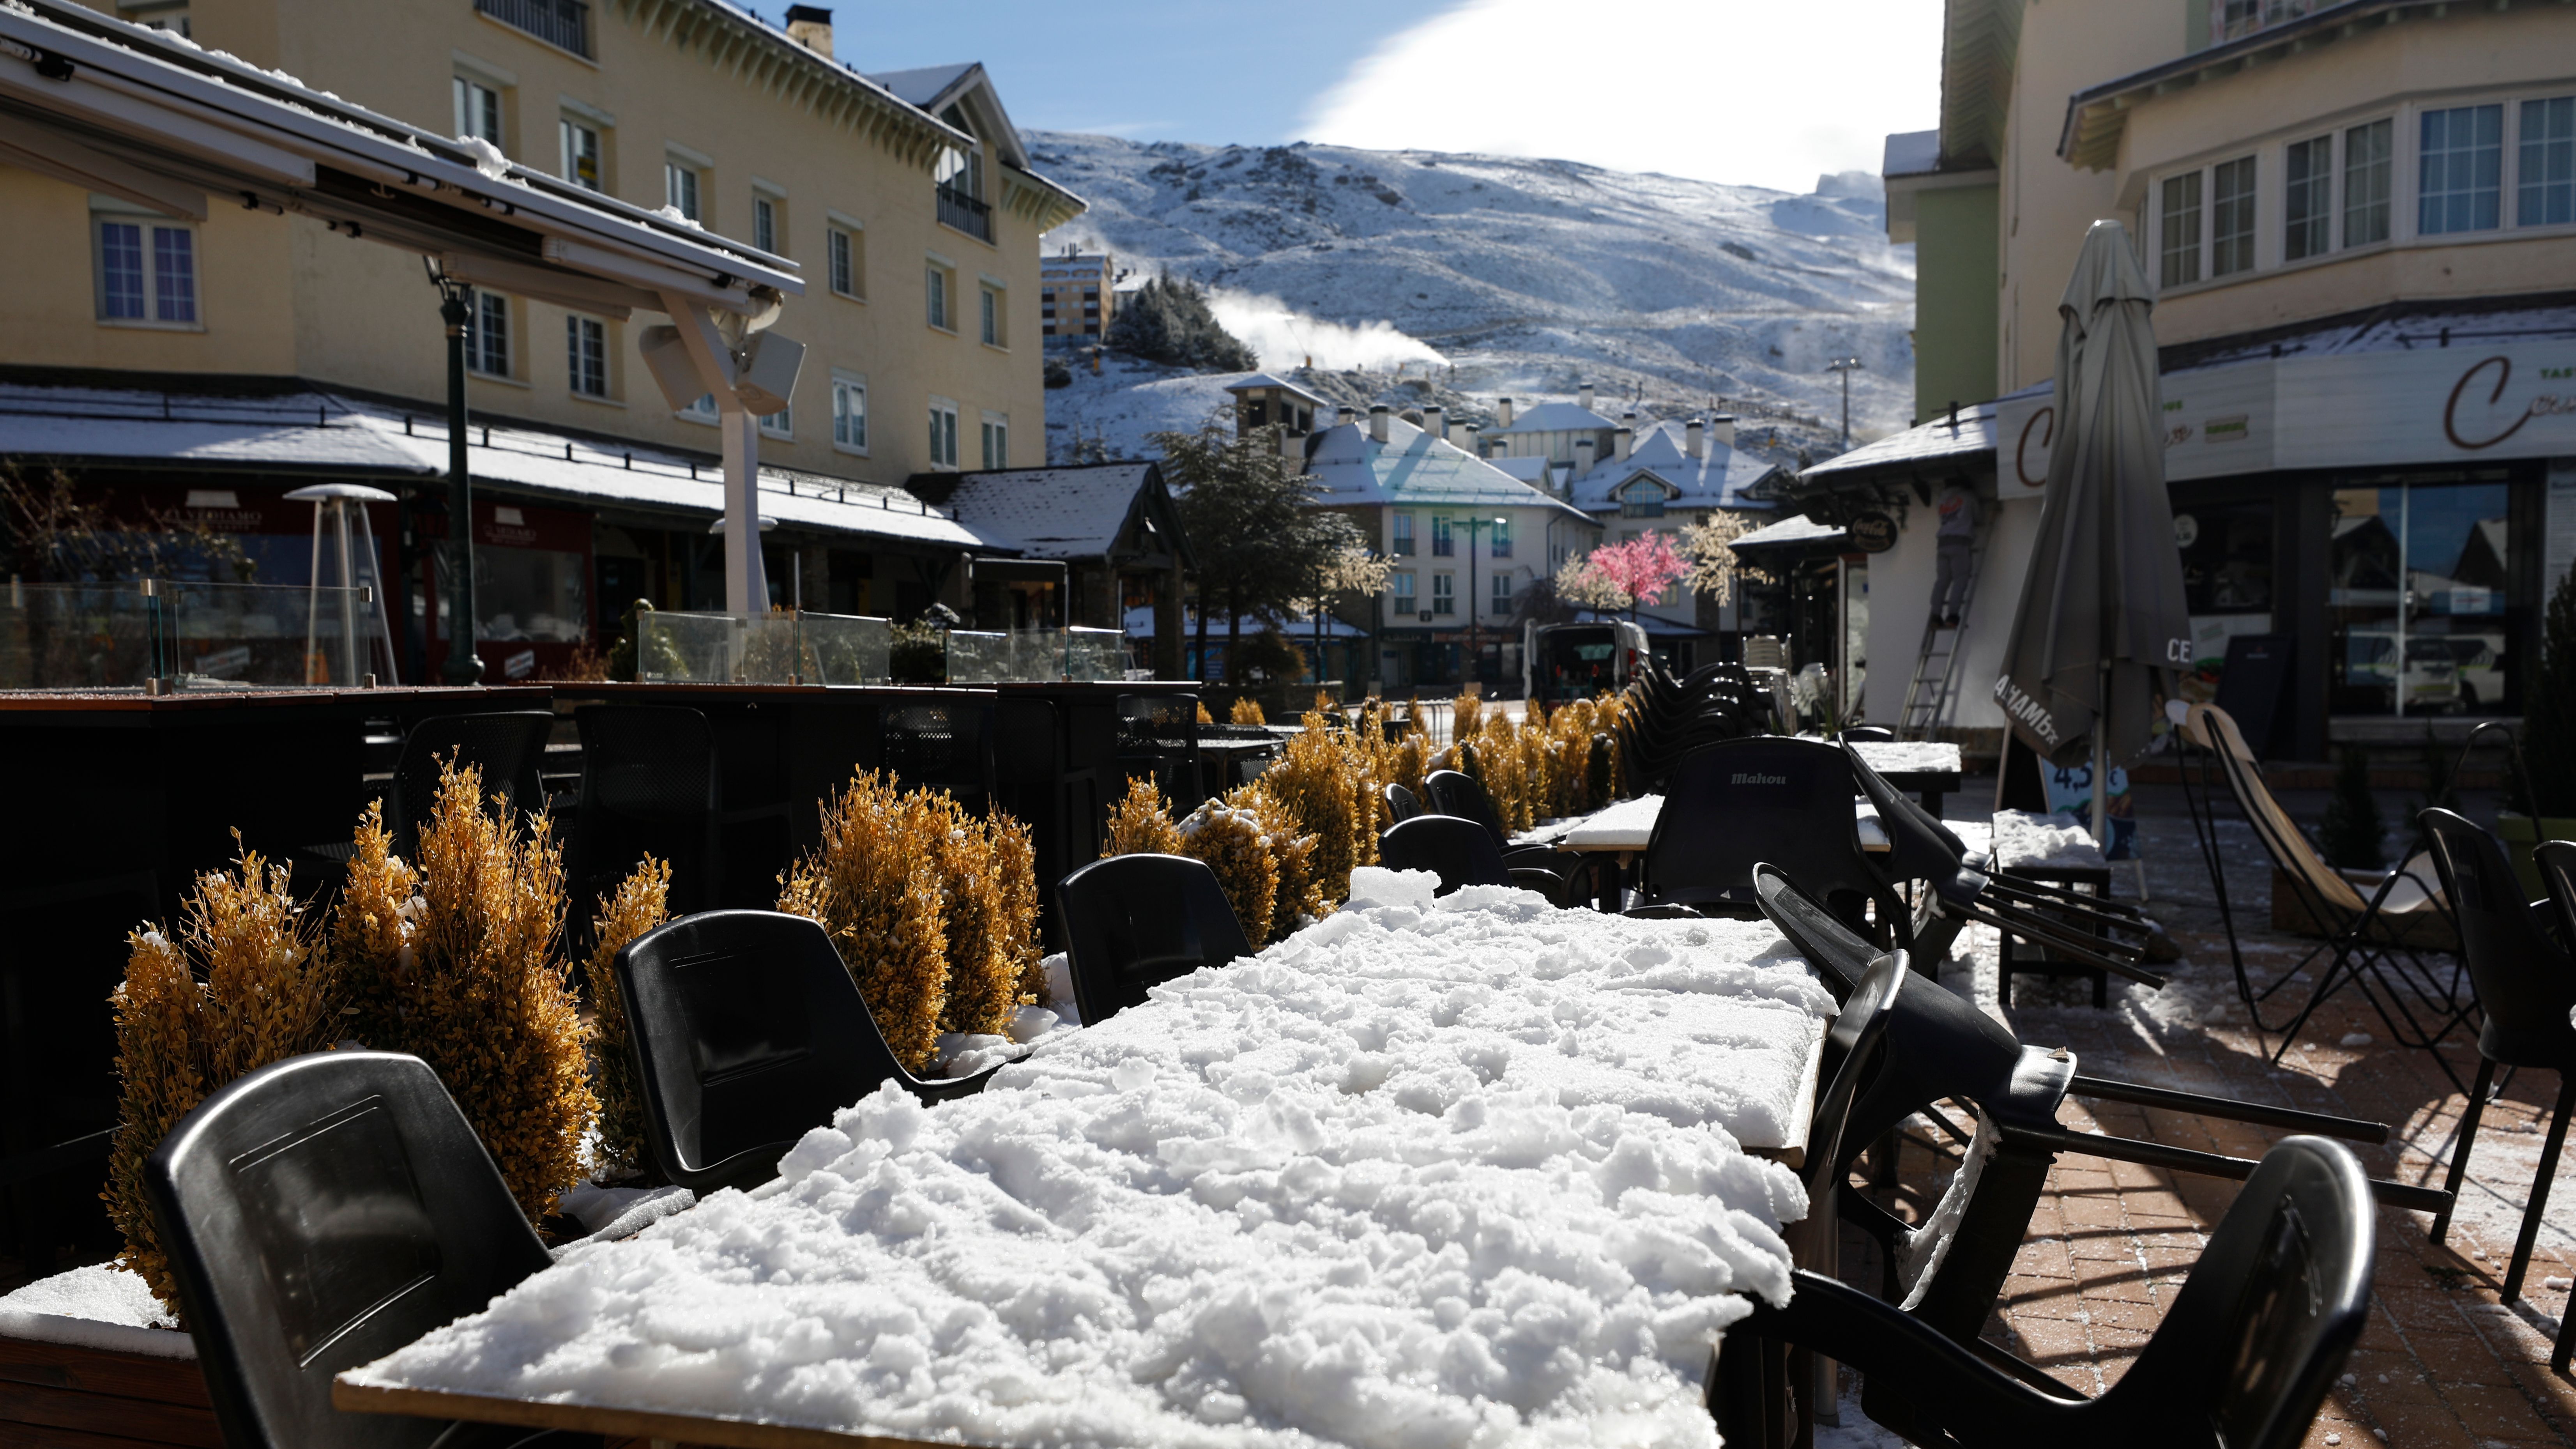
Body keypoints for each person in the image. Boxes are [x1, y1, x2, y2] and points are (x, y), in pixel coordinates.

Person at [1929, 481, 1978, 627]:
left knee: (1942, 581)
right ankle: (1952, 616)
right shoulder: (1968, 496)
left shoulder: (1942, 499)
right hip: (1960, 542)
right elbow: (1979, 516)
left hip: (1943, 543)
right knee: (1960, 579)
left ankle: (1936, 617)